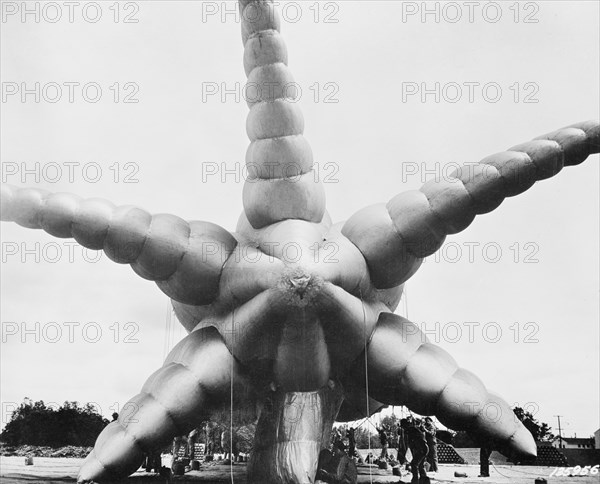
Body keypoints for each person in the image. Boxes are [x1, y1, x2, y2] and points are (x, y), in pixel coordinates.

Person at [403, 418, 430, 484]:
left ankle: (415, 480)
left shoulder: (411, 429)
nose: (403, 428)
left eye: (403, 426)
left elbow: (412, 442)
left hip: (422, 449)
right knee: (420, 465)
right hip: (424, 448)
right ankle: (424, 480)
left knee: (414, 464)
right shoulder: (412, 429)